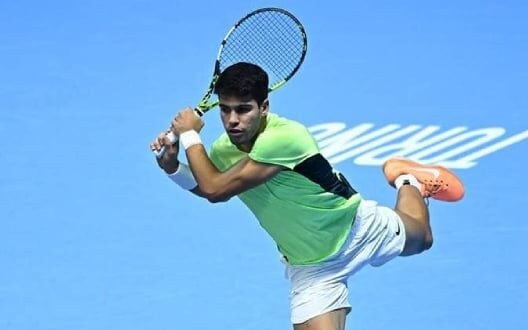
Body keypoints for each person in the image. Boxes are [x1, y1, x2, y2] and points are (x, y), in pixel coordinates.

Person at [150, 62, 465, 330]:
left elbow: (215, 190)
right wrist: (172, 167)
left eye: (244, 110)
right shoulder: (223, 150)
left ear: (264, 107)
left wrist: (189, 133)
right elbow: (207, 185)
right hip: (312, 268)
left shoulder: (286, 137)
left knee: (422, 239)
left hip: (357, 229)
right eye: (226, 110)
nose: (233, 120)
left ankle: (408, 179)